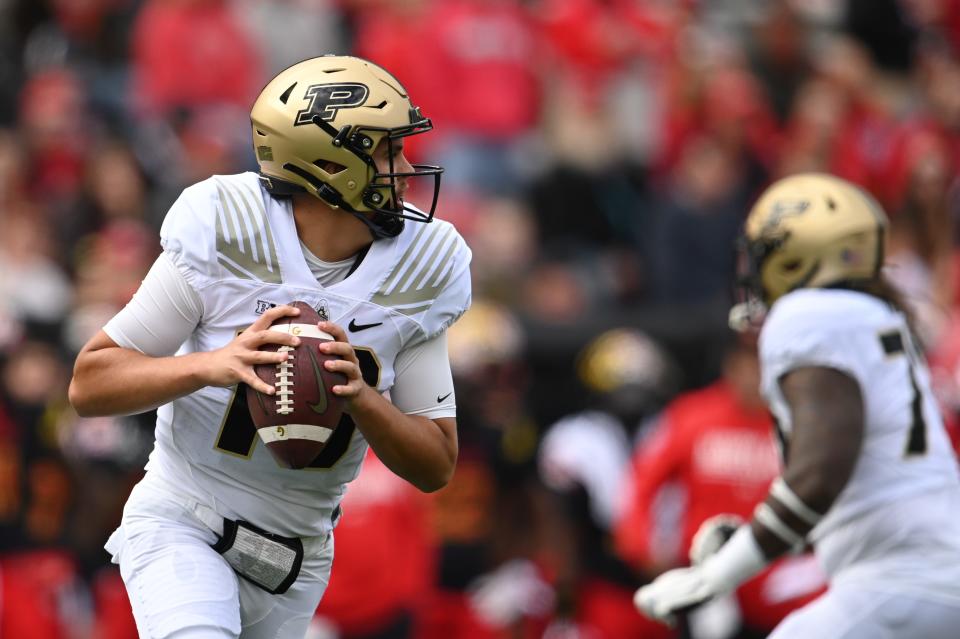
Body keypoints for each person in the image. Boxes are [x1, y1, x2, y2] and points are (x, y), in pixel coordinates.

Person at [68, 55, 472, 639]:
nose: (406, 168)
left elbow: (436, 464)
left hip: (298, 558)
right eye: (386, 151)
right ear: (331, 165)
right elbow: (90, 383)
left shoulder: (425, 266)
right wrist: (212, 365)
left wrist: (361, 398)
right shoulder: (226, 227)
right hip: (187, 518)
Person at [634, 173, 960, 638]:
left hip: (901, 581)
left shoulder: (807, 316)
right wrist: (746, 543)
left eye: (765, 253)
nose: (753, 270)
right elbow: (859, 493)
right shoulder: (875, 317)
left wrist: (715, 575)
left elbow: (819, 476)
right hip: (930, 575)